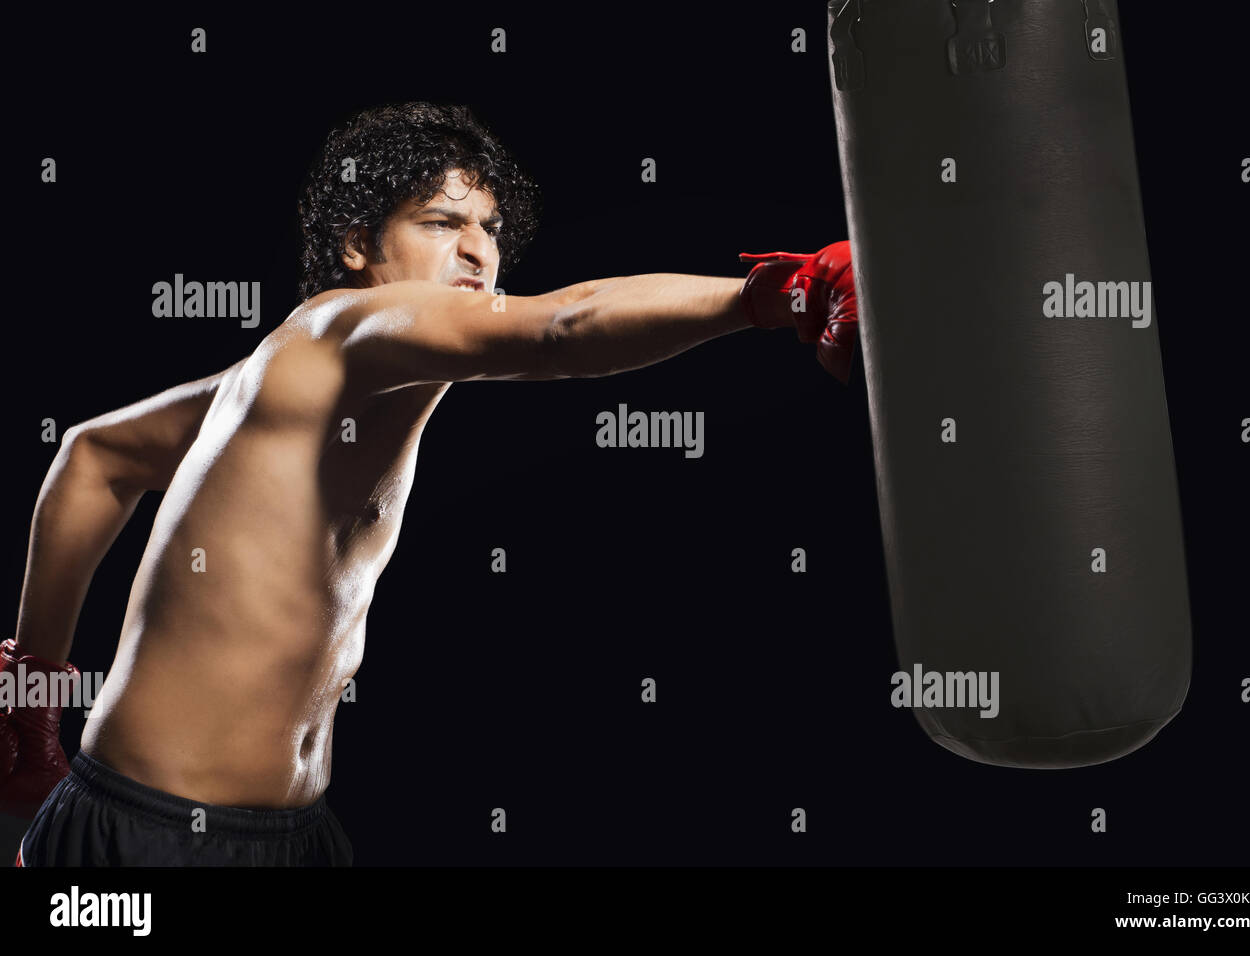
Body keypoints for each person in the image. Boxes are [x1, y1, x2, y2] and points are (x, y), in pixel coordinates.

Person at [3, 102, 857, 865]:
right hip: (152, 831)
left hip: (295, 835)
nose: (479, 249)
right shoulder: (338, 324)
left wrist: (31, 694)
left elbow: (97, 455)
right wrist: (782, 290)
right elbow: (562, 328)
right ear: (357, 245)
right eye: (442, 222)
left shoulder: (283, 381)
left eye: (489, 227)